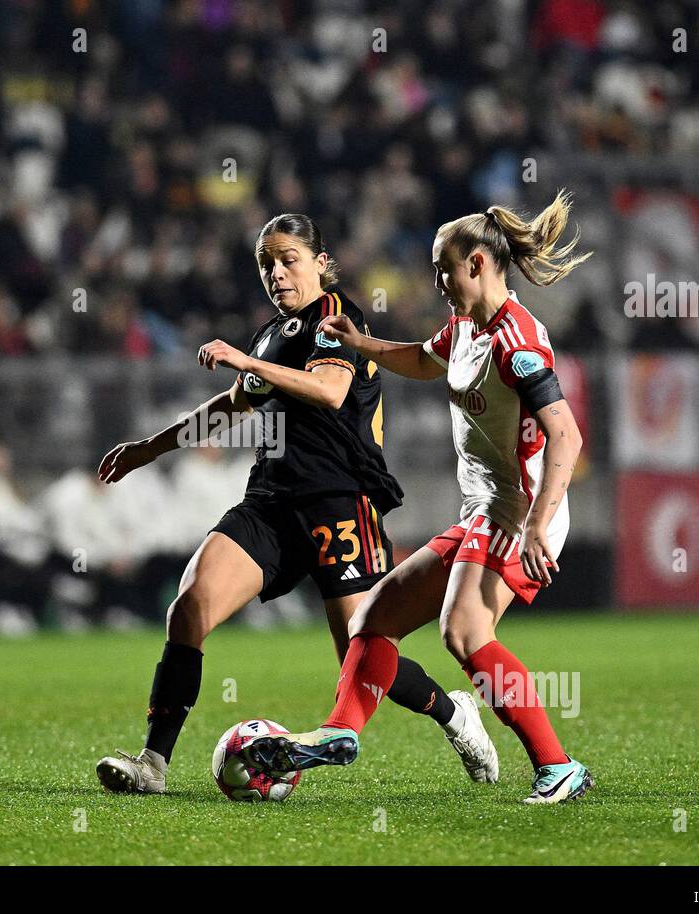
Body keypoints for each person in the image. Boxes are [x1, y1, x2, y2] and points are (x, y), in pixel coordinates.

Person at [94, 213, 478, 794]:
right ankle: (153, 764)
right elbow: (231, 405)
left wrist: (247, 363)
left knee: (361, 653)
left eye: (287, 259)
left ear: (322, 263)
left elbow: (330, 390)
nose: (275, 273)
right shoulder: (272, 335)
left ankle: (453, 714)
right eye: (265, 264)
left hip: (341, 504)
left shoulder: (336, 320)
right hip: (271, 502)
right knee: (190, 607)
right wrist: (151, 448)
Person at [244, 192, 595, 804]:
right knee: (372, 617)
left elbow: (566, 432)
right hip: (485, 511)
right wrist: (363, 343)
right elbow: (426, 360)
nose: (437, 282)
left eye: (443, 270)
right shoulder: (466, 327)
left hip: (521, 512)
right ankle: (338, 734)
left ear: (479, 265)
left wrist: (539, 525)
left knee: (463, 632)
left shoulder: (516, 342)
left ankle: (557, 765)